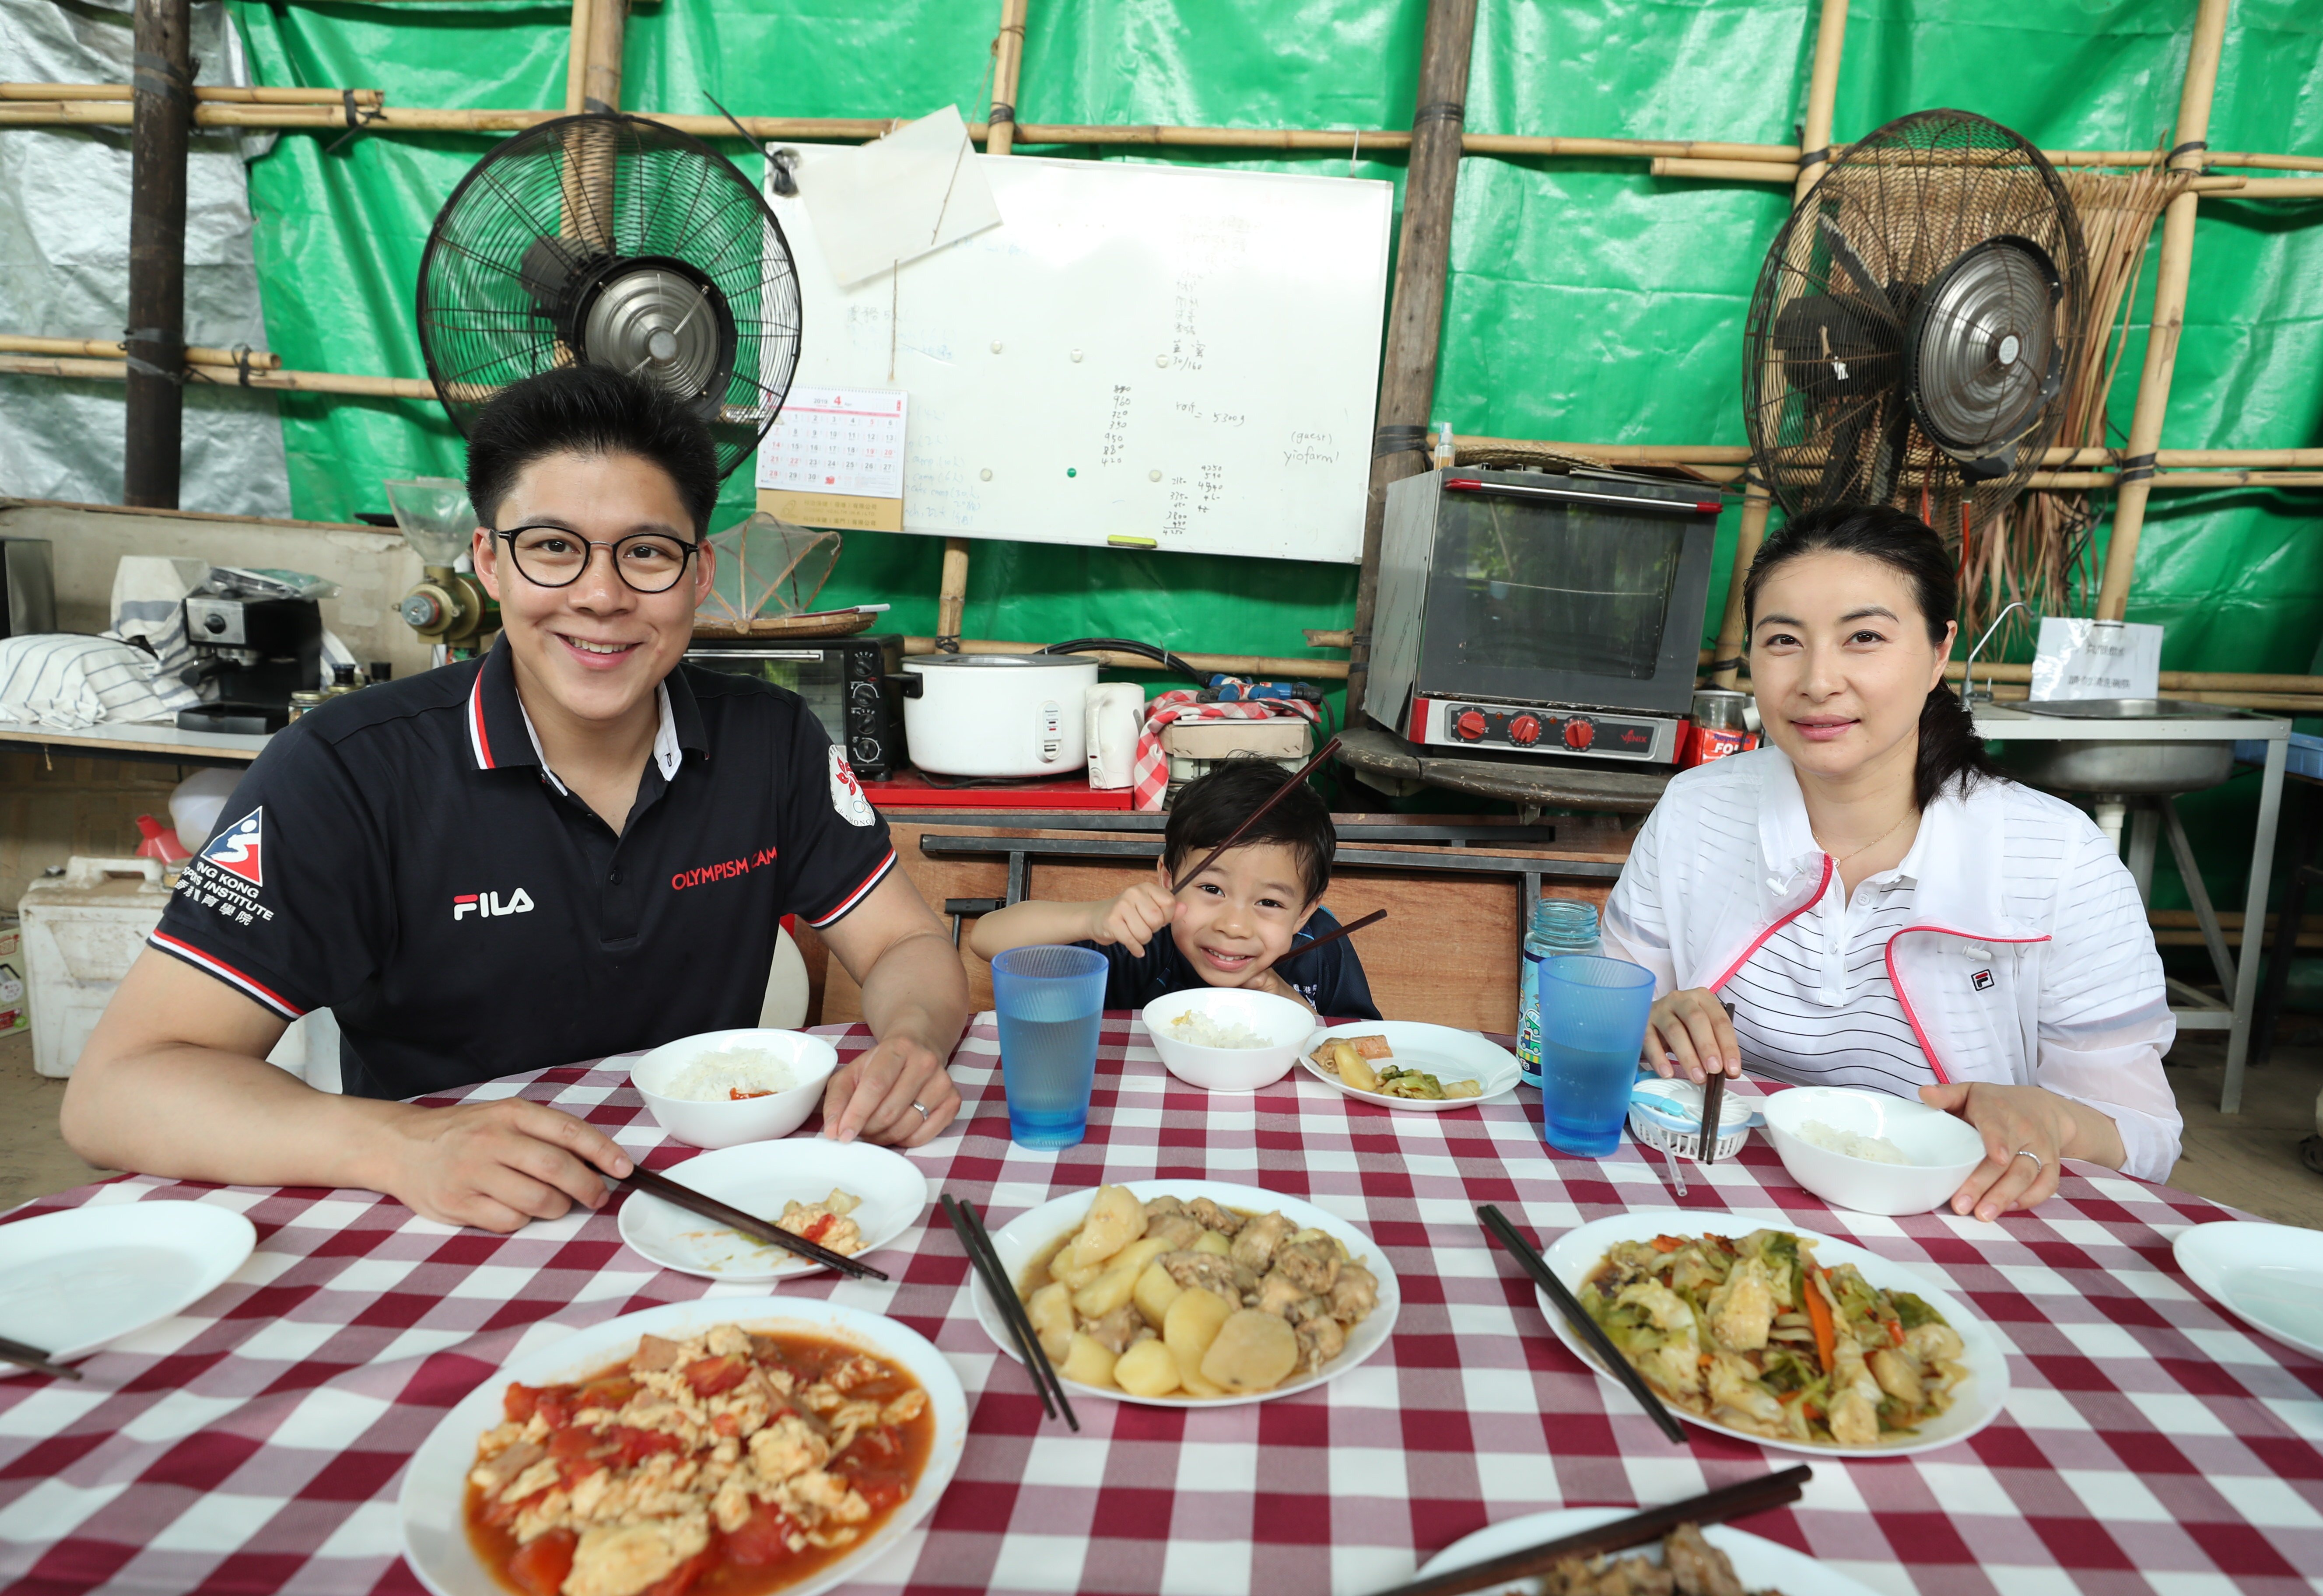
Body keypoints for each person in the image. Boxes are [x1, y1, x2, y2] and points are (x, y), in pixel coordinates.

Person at [60, 366, 970, 1233]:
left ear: (698, 577)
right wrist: (400, 1143)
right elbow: (120, 1089)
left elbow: (905, 943)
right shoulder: (343, 773)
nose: (603, 596)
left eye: (647, 553)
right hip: (437, 1214)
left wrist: (911, 1039)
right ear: (490, 564)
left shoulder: (770, 743)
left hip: (708, 1203)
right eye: (552, 549)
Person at [1602, 503, 2182, 1219]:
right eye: (1783, 639)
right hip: (1715, 1196)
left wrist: (2050, 1118)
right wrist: (1645, 1020)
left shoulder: (2057, 860)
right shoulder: (1696, 811)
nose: (1817, 680)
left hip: (1958, 1217)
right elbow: (1602, 1017)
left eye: (1864, 637)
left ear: (1939, 652)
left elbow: (2148, 1135)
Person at [969, 758, 1379, 1018]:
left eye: (1269, 902)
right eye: (1212, 889)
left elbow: (1364, 1051)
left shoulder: (1321, 944)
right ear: (1169, 880)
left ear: (1306, 911)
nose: (1234, 927)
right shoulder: (1143, 936)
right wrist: (1093, 917)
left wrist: (1281, 995)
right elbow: (987, 939)